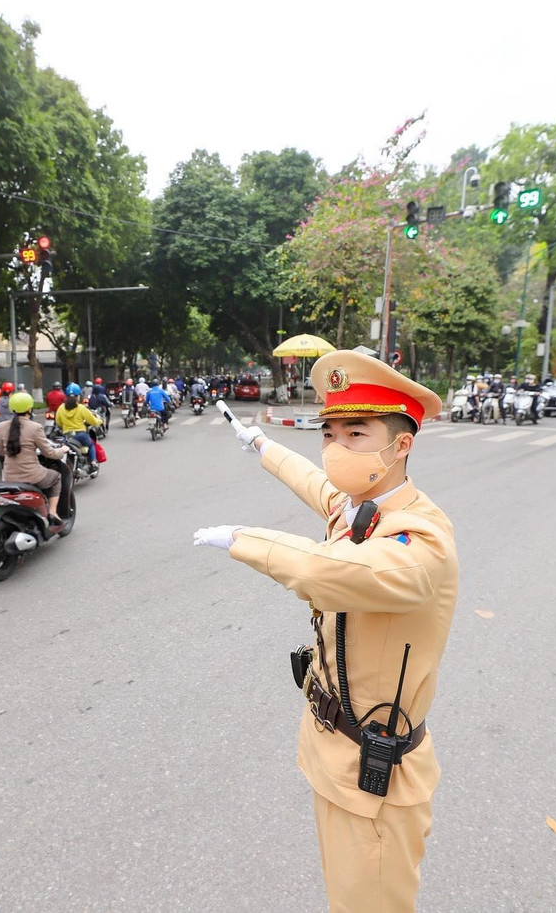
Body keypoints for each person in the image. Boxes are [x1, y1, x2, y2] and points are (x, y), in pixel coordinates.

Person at [193, 349, 457, 913]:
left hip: (374, 781)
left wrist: (243, 537)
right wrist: (260, 444)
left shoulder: (421, 542)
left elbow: (327, 571)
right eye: (331, 432)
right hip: (332, 754)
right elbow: (316, 484)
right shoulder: (362, 505)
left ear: (401, 444)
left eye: (356, 432)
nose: (337, 447)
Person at [0, 392, 69, 527]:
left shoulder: (2, 426)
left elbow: (1, 451)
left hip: (9, 477)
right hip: (33, 476)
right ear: (30, 408)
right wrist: (62, 450)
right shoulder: (35, 427)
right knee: (56, 477)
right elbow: (49, 453)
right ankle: (53, 512)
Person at [55, 383, 102, 471]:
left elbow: (58, 422)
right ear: (78, 396)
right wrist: (99, 421)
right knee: (91, 445)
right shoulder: (81, 408)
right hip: (80, 435)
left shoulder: (61, 408)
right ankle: (93, 462)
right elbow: (92, 420)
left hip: (67, 436)